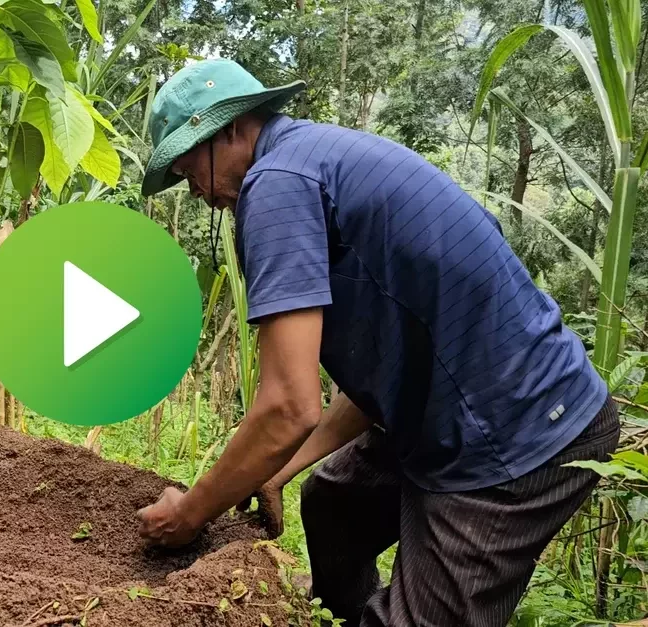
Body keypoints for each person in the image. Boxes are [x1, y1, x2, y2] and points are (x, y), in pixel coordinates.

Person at [134, 58, 619, 627]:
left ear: (232, 129)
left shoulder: (277, 187)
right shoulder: (315, 158)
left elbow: (289, 406)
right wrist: (274, 473)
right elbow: (377, 374)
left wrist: (189, 514)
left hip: (518, 435)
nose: (192, 189)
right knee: (333, 502)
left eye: (189, 165)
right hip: (455, 412)